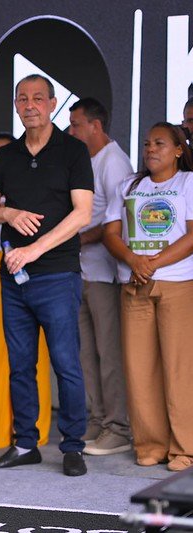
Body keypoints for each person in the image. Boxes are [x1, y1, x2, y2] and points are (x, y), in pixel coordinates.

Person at [0, 74, 94, 477]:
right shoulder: (6, 157)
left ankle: (73, 446)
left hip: (57, 273)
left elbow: (82, 213)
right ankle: (26, 443)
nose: (30, 105)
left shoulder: (73, 151)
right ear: (15, 105)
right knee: (20, 365)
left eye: (38, 98)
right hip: (13, 276)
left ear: (53, 104)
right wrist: (9, 213)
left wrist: (34, 250)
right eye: (22, 98)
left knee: (65, 363)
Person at [103, 122, 193, 472]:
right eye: (146, 144)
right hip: (135, 283)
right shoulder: (129, 185)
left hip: (177, 284)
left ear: (178, 150)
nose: (150, 149)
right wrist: (132, 260)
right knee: (140, 369)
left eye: (159, 143)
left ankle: (184, 448)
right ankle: (150, 444)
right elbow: (111, 232)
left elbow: (191, 233)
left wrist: (151, 263)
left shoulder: (187, 182)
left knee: (179, 368)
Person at [0, 133, 55, 449]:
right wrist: (1, 211)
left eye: (4, 152)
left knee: (33, 356)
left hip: (34, 268)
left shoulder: (36, 184)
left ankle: (33, 429)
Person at [68, 97, 134, 455]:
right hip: (82, 270)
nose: (71, 131)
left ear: (96, 126)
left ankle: (119, 427)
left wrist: (72, 238)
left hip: (105, 273)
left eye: (76, 124)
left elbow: (118, 223)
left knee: (109, 354)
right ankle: (97, 419)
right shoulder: (88, 159)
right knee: (86, 353)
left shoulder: (114, 161)